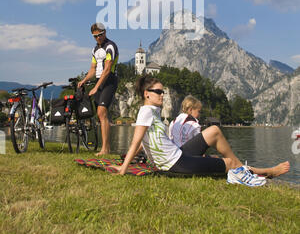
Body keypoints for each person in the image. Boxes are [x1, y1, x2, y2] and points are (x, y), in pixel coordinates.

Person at [111, 76, 290, 186]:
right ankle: (264, 171)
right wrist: (123, 169)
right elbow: (136, 141)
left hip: (177, 154)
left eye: (163, 91)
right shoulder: (145, 112)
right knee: (227, 162)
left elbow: (145, 141)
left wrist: (137, 158)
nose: (162, 94)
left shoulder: (153, 112)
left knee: (214, 131)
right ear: (146, 94)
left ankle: (244, 169)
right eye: (158, 91)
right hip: (175, 163)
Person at [78, 22, 118, 155]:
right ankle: (106, 147)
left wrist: (96, 87)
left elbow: (107, 69)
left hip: (109, 80)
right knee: (101, 115)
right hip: (98, 80)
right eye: (95, 36)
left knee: (101, 112)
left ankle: (105, 149)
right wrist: (84, 80)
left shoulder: (110, 46)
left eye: (100, 35)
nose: (98, 38)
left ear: (105, 32)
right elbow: (93, 70)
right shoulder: (95, 49)